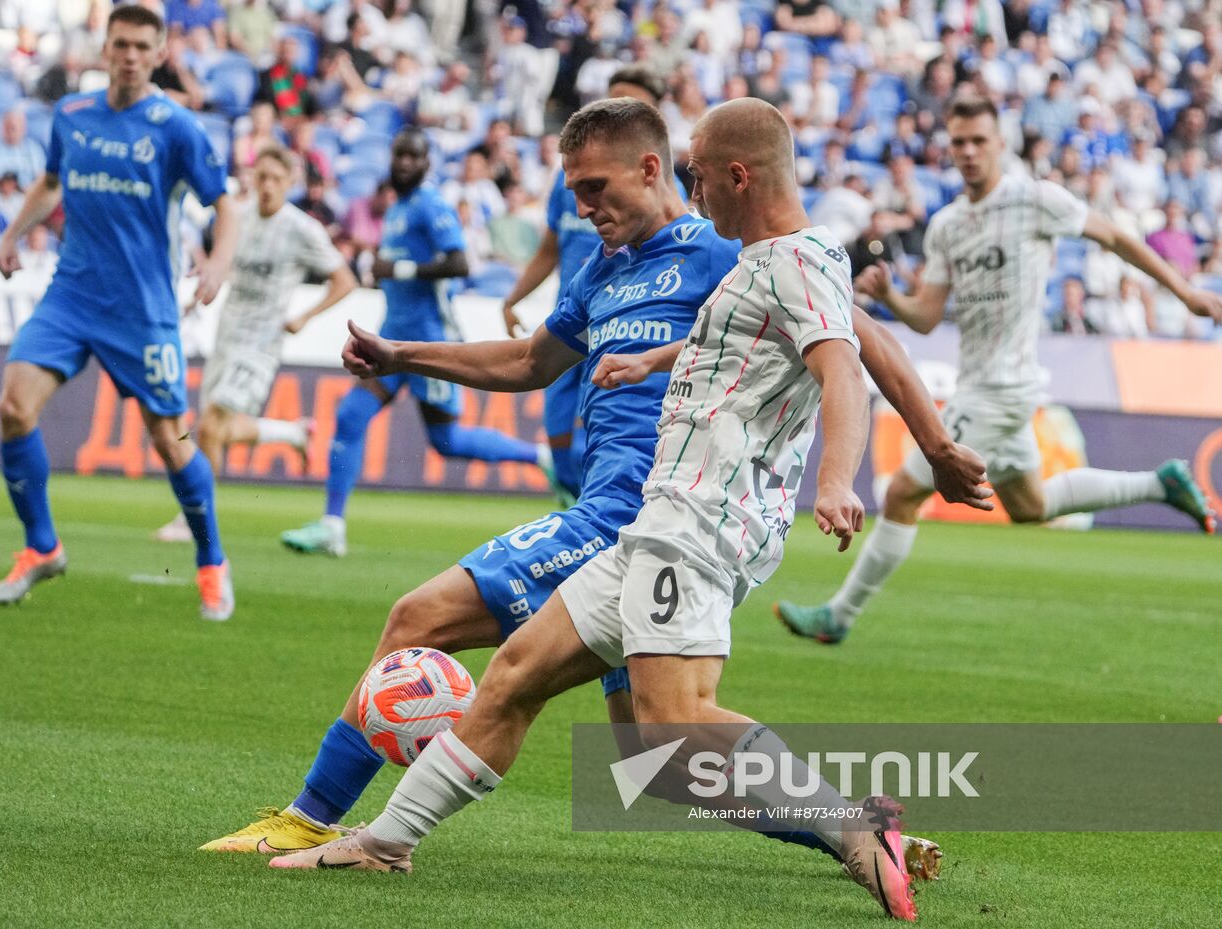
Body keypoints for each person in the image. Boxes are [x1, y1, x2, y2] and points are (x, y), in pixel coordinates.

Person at [204, 99, 985, 891]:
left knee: (423, 619)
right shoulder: (609, 269)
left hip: (645, 514)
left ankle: (309, 814)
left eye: (595, 186)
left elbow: (855, 347)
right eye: (572, 189)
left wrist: (922, 450)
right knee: (655, 760)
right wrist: (404, 354)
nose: (583, 207)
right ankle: (858, 831)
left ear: (658, 171)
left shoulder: (734, 249)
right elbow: (529, 361)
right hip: (646, 520)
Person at [775, 97, 1222, 644]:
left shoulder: (1035, 201)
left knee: (900, 496)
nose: (967, 152)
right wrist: (893, 293)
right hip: (985, 386)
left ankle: (838, 617)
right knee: (1031, 506)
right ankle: (1161, 480)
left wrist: (1186, 291)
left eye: (978, 141)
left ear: (1000, 144)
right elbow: (926, 316)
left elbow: (1116, 237)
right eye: (958, 142)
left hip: (999, 391)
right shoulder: (947, 226)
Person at [0, 5, 241, 621]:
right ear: (104, 48)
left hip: (144, 312)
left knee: (173, 440)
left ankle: (211, 561)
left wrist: (217, 265)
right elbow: (51, 181)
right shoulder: (72, 114)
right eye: (120, 44)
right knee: (13, 408)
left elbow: (225, 206)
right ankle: (41, 547)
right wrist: (13, 234)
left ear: (158, 55)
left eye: (141, 47)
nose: (128, 55)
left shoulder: (177, 127)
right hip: (70, 297)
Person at [277, 127, 547, 558]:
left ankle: (540, 458)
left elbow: (459, 262)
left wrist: (397, 268)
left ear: (426, 164)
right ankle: (332, 525)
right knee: (350, 415)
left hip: (431, 343)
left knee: (447, 442)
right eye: (399, 154)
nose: (404, 163)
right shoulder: (398, 207)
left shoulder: (431, 205)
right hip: (393, 341)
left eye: (414, 156)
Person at [155, 147, 356, 542]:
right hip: (227, 335)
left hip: (262, 343)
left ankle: (195, 522)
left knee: (211, 425)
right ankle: (292, 434)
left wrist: (304, 316)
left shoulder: (302, 229)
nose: (266, 186)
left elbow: (345, 281)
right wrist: (196, 298)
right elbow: (223, 264)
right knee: (213, 430)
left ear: (290, 183)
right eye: (261, 177)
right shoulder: (238, 217)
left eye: (276, 179)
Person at [498, 65, 668, 503]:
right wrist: (515, 297)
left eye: (629, 103)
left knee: (605, 438)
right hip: (571, 321)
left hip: (628, 327)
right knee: (558, 437)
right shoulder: (568, 183)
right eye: (611, 101)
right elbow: (548, 249)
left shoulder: (663, 192)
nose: (585, 207)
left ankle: (599, 515)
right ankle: (580, 508)